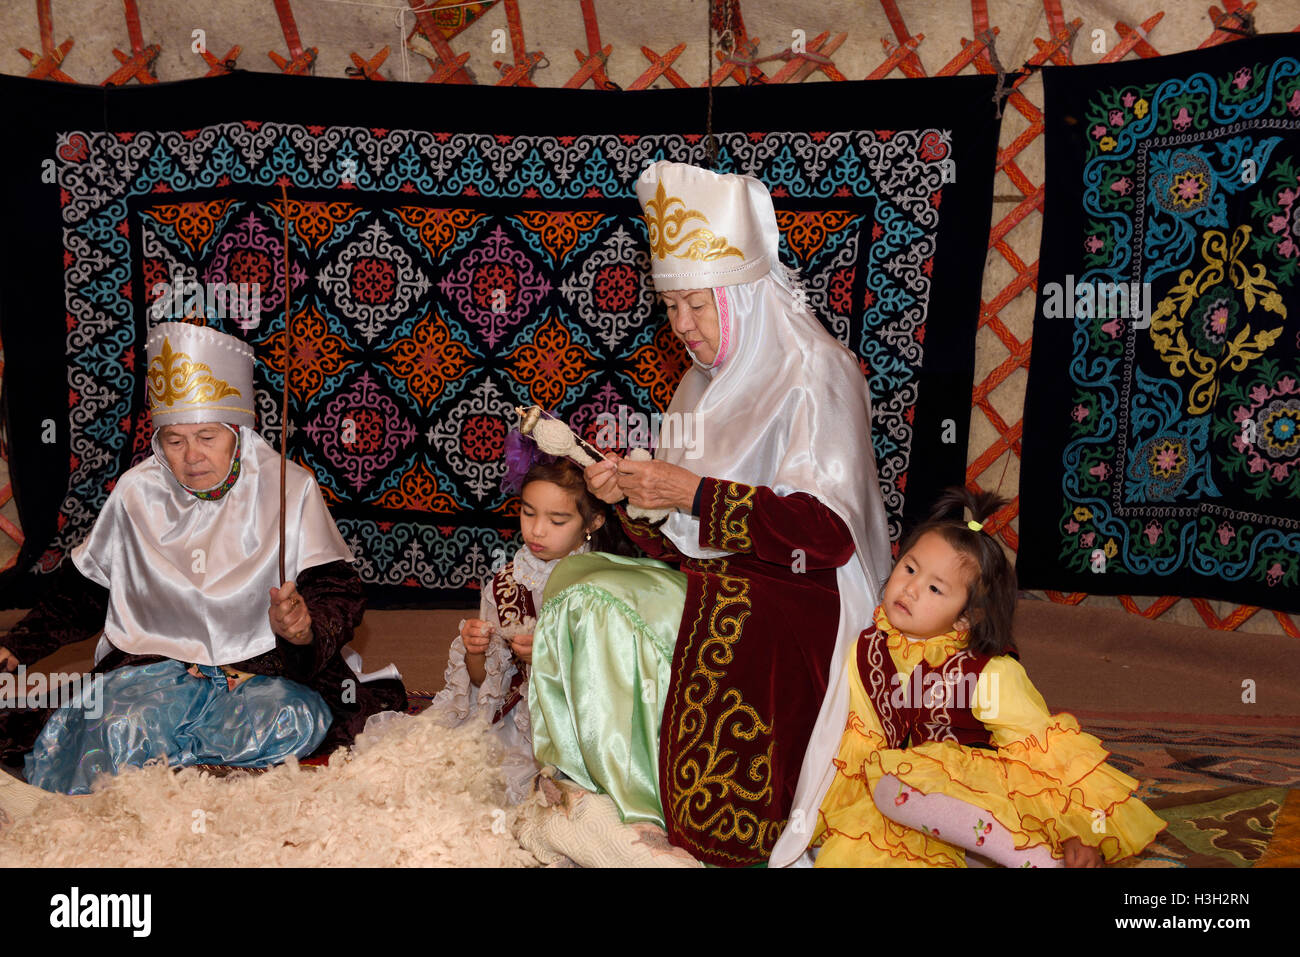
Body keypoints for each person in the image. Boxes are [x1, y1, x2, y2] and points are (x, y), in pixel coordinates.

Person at [528, 160, 894, 867]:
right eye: (670, 308)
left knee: (604, 601)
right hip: (730, 574)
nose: (683, 327)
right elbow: (677, 540)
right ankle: (603, 789)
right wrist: (630, 499)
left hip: (805, 595)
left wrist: (687, 493)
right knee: (577, 576)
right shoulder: (701, 386)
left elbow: (825, 534)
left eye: (698, 305)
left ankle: (646, 817)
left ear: (746, 296)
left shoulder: (816, 372)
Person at [0, 321, 405, 794]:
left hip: (262, 670)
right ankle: (189, 779)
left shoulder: (289, 487)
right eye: (175, 441)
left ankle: (174, 773)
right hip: (152, 669)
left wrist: (305, 627)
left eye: (207, 437)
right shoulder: (136, 492)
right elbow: (85, 591)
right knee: (116, 727)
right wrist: (21, 645)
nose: (192, 456)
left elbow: (336, 589)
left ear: (237, 431)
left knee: (292, 721)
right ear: (159, 442)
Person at [809, 488, 1166, 866]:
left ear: (965, 617)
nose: (910, 589)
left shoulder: (988, 672)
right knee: (860, 833)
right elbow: (861, 744)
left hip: (987, 802)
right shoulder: (866, 651)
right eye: (909, 568)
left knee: (892, 786)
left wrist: (1080, 830)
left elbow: (1044, 750)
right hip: (915, 812)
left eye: (934, 588)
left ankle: (1035, 860)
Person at [429, 433, 630, 803]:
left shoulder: (602, 585)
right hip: (517, 722)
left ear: (593, 521)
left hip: (580, 728)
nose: (537, 530)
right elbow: (484, 684)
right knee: (448, 776)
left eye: (557, 520)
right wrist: (476, 652)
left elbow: (616, 681)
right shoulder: (506, 584)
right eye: (528, 512)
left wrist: (551, 657)